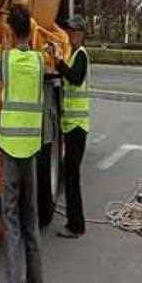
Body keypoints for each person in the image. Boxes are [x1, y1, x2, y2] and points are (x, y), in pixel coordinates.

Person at [0, 3, 45, 283]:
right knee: (30, 218)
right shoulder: (39, 62)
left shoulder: (5, 60)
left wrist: (4, 43)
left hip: (10, 150)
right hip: (32, 151)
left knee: (10, 221)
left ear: (11, 31)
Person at [55, 15, 91, 239]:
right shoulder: (73, 54)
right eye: (69, 32)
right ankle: (74, 222)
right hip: (71, 125)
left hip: (78, 126)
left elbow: (76, 78)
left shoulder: (81, 55)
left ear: (81, 34)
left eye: (74, 32)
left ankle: (76, 225)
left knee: (71, 176)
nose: (70, 35)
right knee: (70, 175)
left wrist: (60, 64)